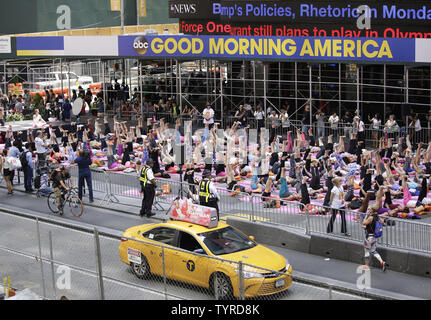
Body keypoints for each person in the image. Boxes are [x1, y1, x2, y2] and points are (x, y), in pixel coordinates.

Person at [362, 205, 388, 271]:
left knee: (366, 251)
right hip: (374, 237)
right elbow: (382, 223)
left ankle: (366, 266)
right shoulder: (377, 217)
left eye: (369, 209)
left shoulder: (371, 217)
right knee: (373, 251)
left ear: (372, 210)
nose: (368, 210)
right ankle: (382, 262)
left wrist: (366, 216)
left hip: (369, 237)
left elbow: (364, 222)